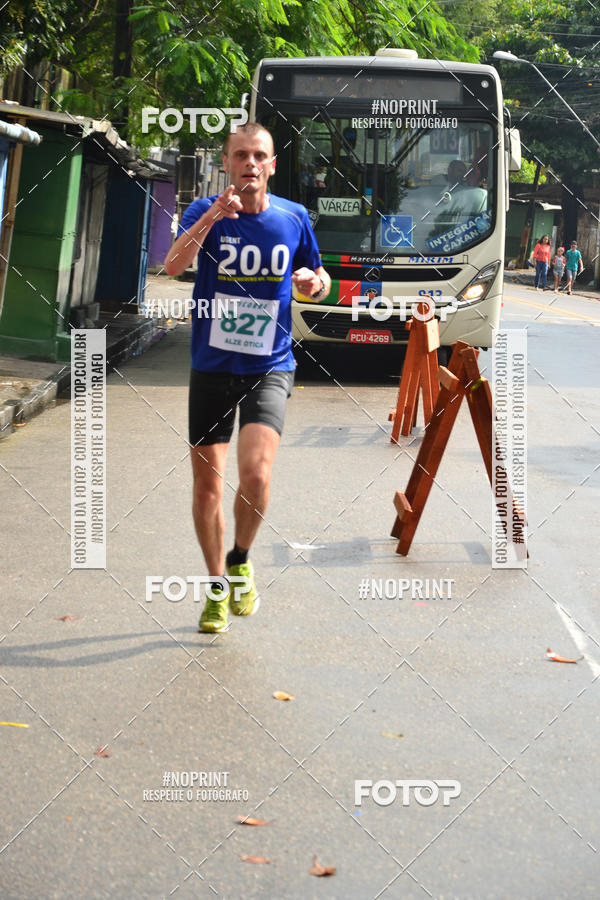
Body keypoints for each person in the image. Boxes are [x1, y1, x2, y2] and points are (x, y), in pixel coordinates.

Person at [164, 123, 330, 633]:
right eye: (241, 156)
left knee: (256, 475)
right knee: (207, 489)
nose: (250, 164)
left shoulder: (293, 218)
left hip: (270, 365)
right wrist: (214, 214)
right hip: (212, 365)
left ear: (272, 165)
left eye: (260, 156)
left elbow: (320, 281)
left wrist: (312, 283)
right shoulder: (203, 213)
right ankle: (216, 587)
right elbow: (172, 267)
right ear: (228, 163)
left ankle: (240, 558)